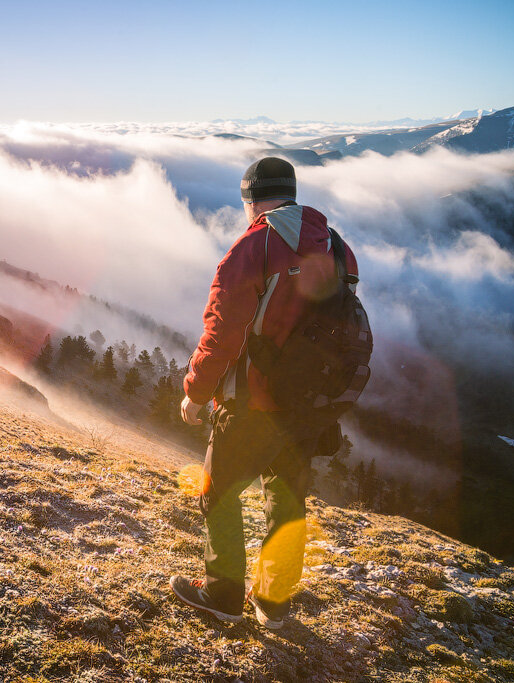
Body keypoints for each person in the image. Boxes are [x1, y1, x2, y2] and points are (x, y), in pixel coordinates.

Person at [169, 157, 359, 630]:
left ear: (250, 198)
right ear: (291, 193)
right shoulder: (337, 247)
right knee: (287, 503)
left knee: (218, 492)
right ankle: (273, 603)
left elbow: (221, 333)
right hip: (308, 406)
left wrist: (196, 391)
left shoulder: (253, 248)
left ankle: (222, 593)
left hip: (252, 403)